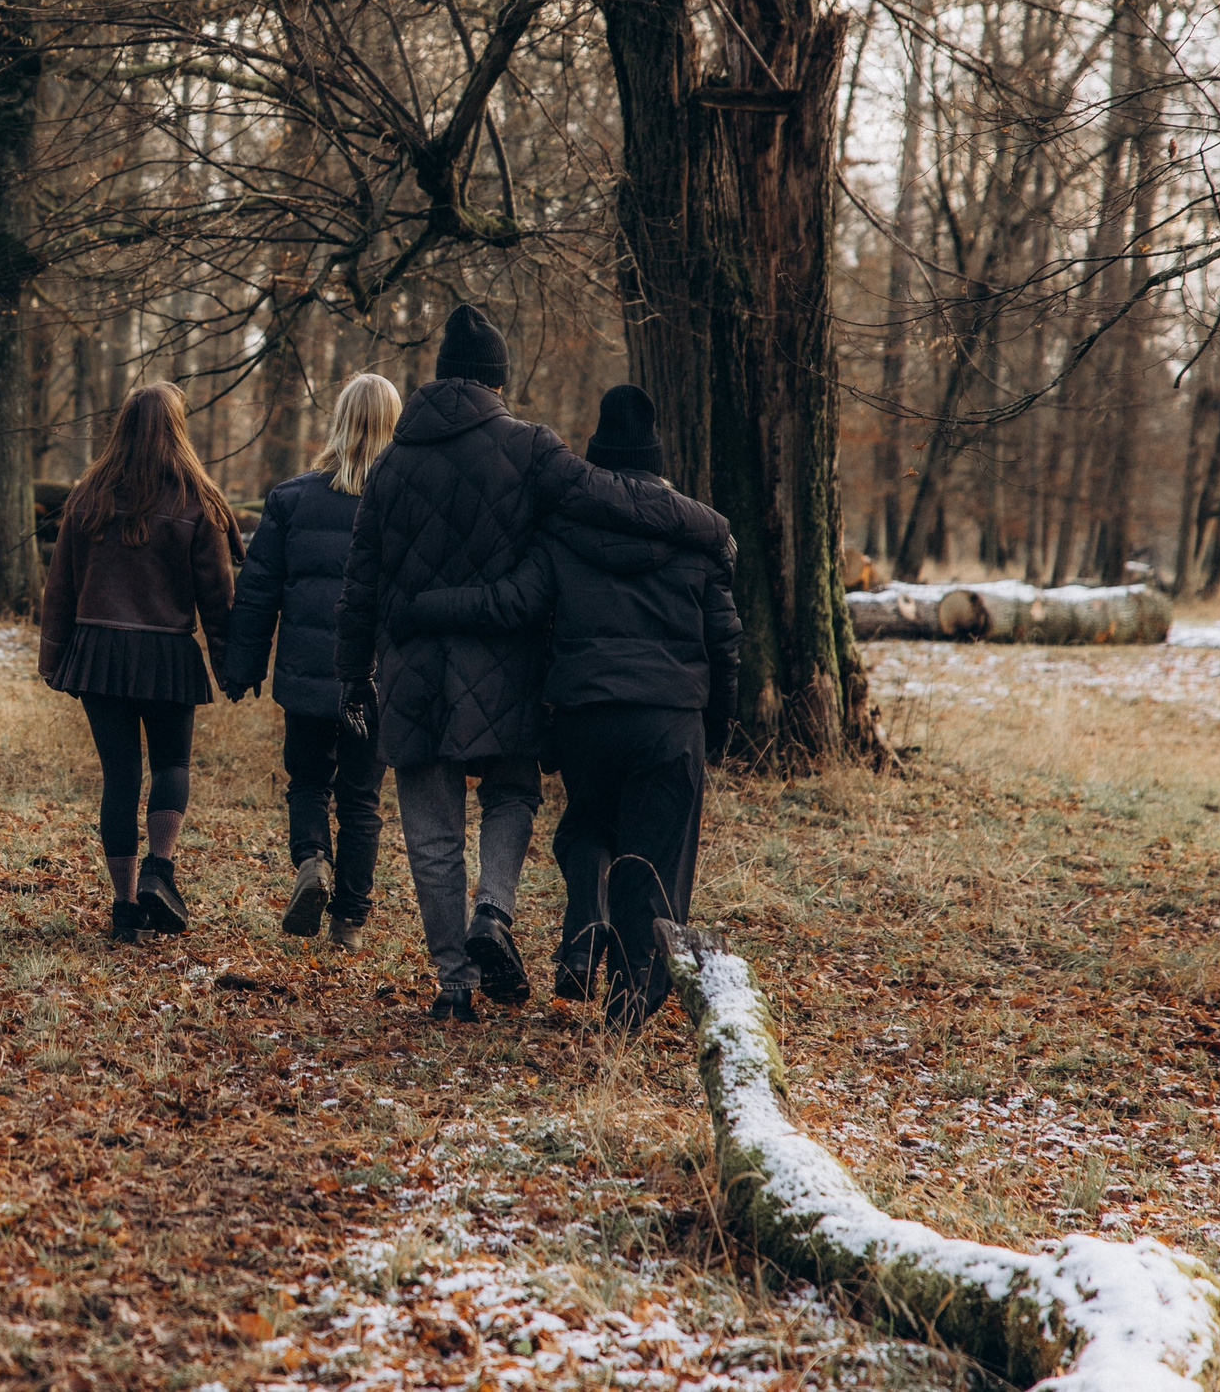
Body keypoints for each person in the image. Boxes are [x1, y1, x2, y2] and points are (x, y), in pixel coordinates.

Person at [333, 305, 728, 1024]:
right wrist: (709, 524)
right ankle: (494, 910)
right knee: (511, 794)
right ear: (495, 382)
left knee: (431, 831)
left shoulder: (389, 464)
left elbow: (360, 583)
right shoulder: (528, 447)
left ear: (441, 377)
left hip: (412, 670)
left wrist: (352, 674)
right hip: (503, 669)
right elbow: (614, 495)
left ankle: (453, 985)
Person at [39, 383, 243, 944]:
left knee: (120, 776)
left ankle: (126, 908)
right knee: (172, 765)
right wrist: (230, 665)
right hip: (166, 654)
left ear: (123, 426)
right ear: (178, 429)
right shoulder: (197, 501)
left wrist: (53, 657)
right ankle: (160, 870)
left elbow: (59, 587)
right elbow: (219, 598)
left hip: (98, 653)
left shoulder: (88, 495)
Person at [222, 372, 403, 951]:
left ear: (340, 421)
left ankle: (312, 862)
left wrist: (242, 665)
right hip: (375, 681)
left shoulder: (292, 498)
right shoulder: (405, 505)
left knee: (307, 783)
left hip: (306, 674)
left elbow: (257, 591)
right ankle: (349, 922)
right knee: (361, 800)